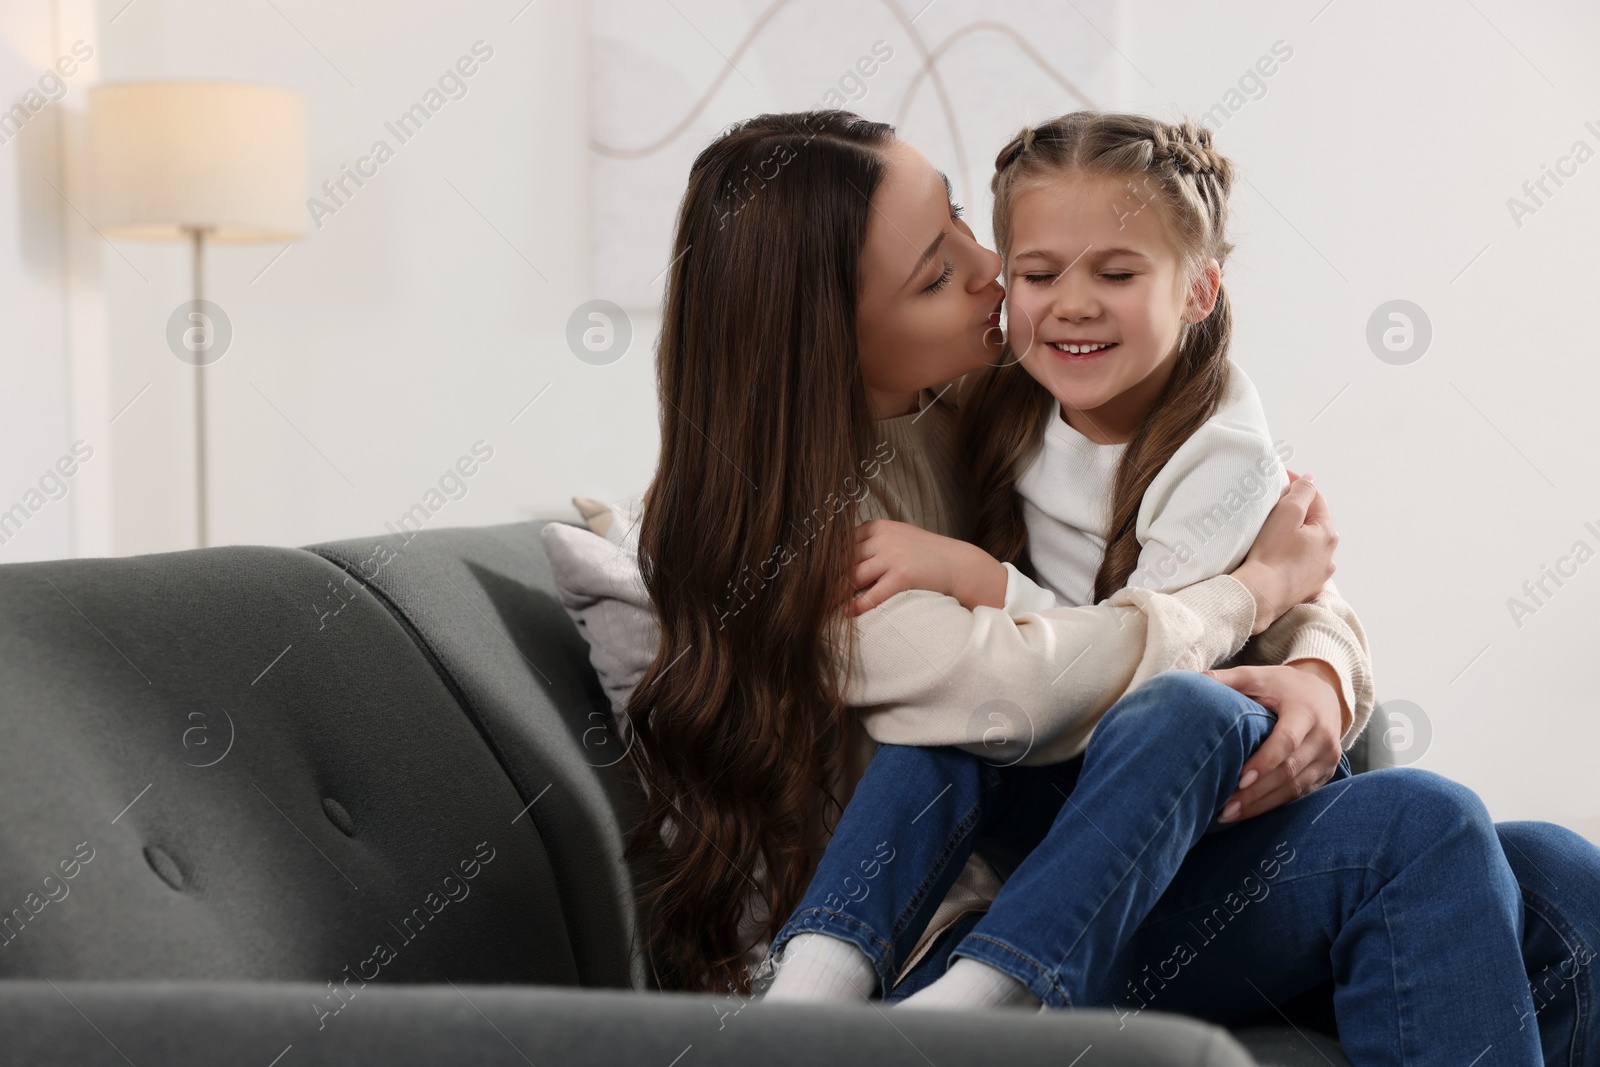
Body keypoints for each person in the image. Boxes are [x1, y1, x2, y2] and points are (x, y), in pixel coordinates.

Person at [618, 109, 1599, 1065]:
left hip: (1141, 847)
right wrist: (1251, 594)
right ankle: (877, 1017)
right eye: (936, 269)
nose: (990, 268)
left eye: (960, 218)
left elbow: (1274, 554)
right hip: (995, 911)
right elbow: (1021, 697)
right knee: (1418, 820)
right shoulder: (807, 542)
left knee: (1561, 876)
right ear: (835, 328)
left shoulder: (1000, 402)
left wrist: (1316, 666)